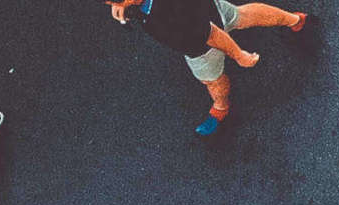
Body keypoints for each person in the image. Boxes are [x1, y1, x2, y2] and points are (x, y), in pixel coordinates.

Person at [107, 0, 310, 137]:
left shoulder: (161, 19)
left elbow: (212, 34)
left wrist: (240, 56)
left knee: (212, 80)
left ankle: (221, 107)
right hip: (211, 7)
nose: (113, 6)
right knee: (241, 15)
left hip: (202, 48)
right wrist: (125, 11)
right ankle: (295, 19)